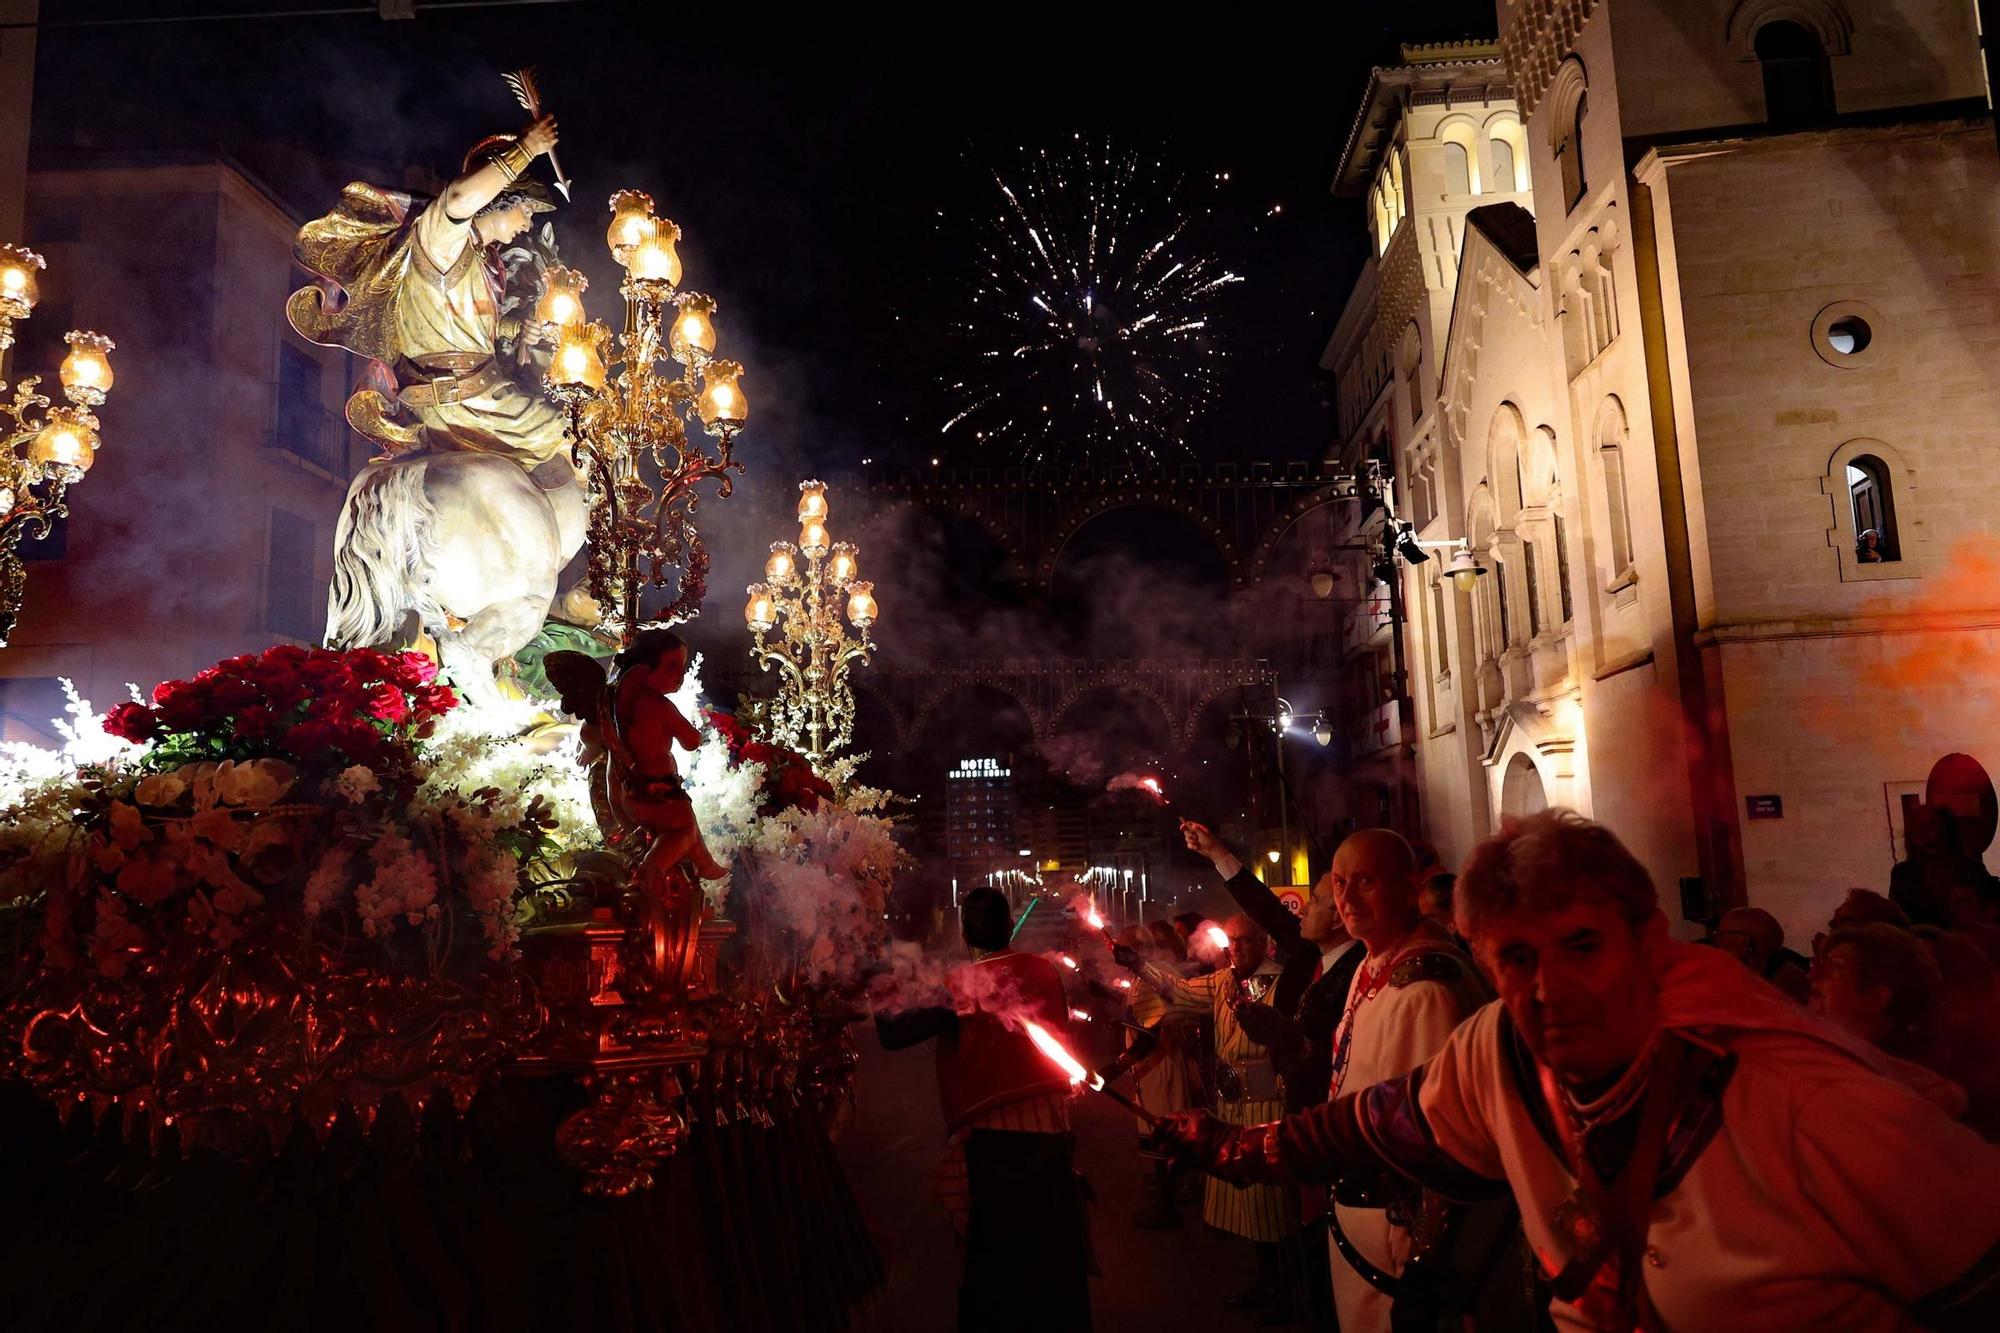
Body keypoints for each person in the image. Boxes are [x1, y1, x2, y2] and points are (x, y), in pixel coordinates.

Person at [1151, 809, 2000, 1331]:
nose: (1550, 986)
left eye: (1582, 945)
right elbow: (1381, 1119)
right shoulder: (1496, 1050)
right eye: (1516, 955)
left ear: (1648, 939)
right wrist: (1232, 1146)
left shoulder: (1812, 1107)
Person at [289, 117, 572, 471]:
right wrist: (526, 148)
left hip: (479, 391)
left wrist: (515, 330)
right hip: (465, 401)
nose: (529, 223)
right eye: (526, 209)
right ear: (500, 196)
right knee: (576, 440)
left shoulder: (486, 262)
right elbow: (458, 197)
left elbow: (457, 327)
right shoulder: (443, 240)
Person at [1174, 821, 1366, 1330]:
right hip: (1308, 1129)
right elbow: (1267, 911)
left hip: (1342, 1138)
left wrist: (1285, 1040)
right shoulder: (1313, 960)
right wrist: (1218, 854)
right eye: (1330, 891)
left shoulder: (1357, 969)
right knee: (1306, 1257)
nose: (1302, 906)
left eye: (1323, 895)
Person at [875, 887, 1090, 1332]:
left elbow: (894, 1036)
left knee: (997, 1270)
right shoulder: (1045, 971)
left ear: (965, 932)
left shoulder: (962, 986)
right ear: (1009, 926)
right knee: (1055, 1262)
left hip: (994, 1147)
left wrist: (876, 972)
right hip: (1053, 1135)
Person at [1315, 828, 1494, 1333]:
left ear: (1410, 884)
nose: (1346, 899)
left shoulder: (1425, 988)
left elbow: (1438, 1142)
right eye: (1340, 883)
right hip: (1361, 1224)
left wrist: (1424, 1265)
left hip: (1397, 1240)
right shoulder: (1372, 962)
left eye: (1366, 881)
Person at [1128, 914, 1294, 1318]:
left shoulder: (1282, 983)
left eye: (1247, 941)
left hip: (1270, 1106)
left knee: (1272, 1204)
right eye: (1232, 941)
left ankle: (1286, 1291)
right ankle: (1268, 1282)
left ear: (1265, 941)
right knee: (1253, 1208)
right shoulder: (1222, 981)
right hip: (1234, 1107)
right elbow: (1178, 993)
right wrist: (1137, 966)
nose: (1237, 948)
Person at [1711, 906, 1811, 1004]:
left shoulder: (1785, 981)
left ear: (1744, 940)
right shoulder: (1749, 973)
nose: (1716, 940)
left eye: (1721, 934)